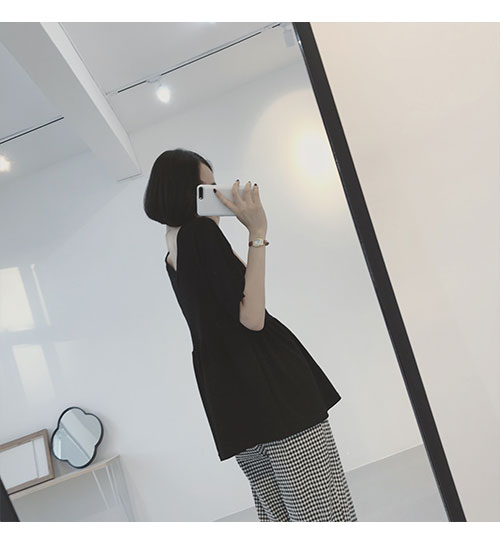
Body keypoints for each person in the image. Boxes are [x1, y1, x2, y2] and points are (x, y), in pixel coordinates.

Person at [144, 148, 357, 522]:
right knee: (324, 513)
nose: (217, 195)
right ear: (185, 193)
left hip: (233, 400)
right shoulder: (201, 234)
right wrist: (257, 232)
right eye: (207, 188)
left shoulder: (173, 243)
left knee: (281, 515)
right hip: (273, 389)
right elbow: (252, 316)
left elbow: (227, 302)